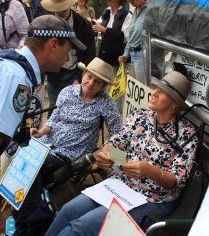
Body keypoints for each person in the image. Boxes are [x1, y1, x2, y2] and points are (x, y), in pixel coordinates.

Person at [0, 15, 86, 236]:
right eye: (68, 50)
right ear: (53, 44)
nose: (68, 57)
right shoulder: (15, 78)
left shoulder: (13, 64)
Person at [46, 70, 198, 235]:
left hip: (153, 199)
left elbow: (176, 182)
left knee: (81, 227)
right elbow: (115, 143)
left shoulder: (187, 134)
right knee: (68, 210)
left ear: (175, 103)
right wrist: (108, 156)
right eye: (155, 88)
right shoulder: (140, 116)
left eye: (161, 92)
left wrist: (149, 171)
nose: (153, 93)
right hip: (120, 184)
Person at [30, 57, 121, 186]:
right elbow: (54, 118)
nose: (91, 83)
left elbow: (117, 134)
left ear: (103, 87)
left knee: (38, 164)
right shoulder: (67, 92)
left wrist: (103, 152)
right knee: (24, 152)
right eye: (89, 77)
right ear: (83, 74)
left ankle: (31, 200)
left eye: (98, 82)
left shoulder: (106, 103)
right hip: (48, 143)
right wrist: (40, 132)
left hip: (72, 152)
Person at [41, 0, 95, 117]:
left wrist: (80, 78)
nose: (59, 11)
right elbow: (42, 51)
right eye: (56, 8)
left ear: (69, 5)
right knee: (54, 111)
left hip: (75, 71)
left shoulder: (84, 24)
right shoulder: (45, 24)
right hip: (54, 74)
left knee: (75, 112)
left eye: (62, 7)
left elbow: (90, 54)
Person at [118, 0, 151, 83]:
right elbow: (132, 35)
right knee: (137, 88)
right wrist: (126, 53)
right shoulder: (134, 11)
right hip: (134, 55)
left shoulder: (151, 9)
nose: (130, 1)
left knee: (143, 88)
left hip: (145, 55)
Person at [94, 0, 132, 66]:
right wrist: (93, 25)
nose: (108, 0)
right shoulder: (107, 12)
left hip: (117, 57)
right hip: (104, 55)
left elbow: (124, 37)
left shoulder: (127, 15)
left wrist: (105, 30)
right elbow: (99, 22)